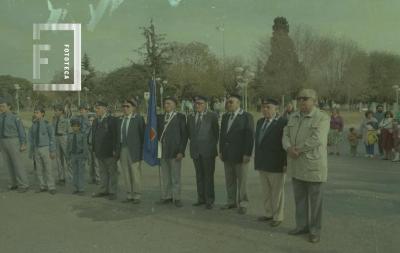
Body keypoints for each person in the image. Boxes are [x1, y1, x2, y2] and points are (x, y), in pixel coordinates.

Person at [282, 89, 330, 243]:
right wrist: (288, 148)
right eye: (299, 98)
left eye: (305, 99)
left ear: (314, 101)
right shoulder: (293, 116)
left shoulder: (322, 117)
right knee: (300, 199)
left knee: (316, 202)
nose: (301, 101)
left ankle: (315, 231)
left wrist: (298, 149)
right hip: (296, 165)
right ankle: (301, 226)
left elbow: (318, 139)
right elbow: (285, 135)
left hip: (313, 166)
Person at [254, 98, 287, 227]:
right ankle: (268, 213)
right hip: (262, 162)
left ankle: (278, 216)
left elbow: (285, 144)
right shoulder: (260, 122)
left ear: (276, 109)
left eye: (268, 107)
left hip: (276, 163)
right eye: (263, 107)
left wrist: (285, 163)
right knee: (266, 191)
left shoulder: (283, 122)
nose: (265, 110)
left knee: (277, 192)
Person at [219, 94, 254, 215]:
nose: (228, 104)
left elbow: (249, 137)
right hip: (227, 154)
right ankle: (231, 201)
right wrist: (221, 151)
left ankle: (243, 203)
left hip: (240, 155)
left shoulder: (246, 116)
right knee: (230, 180)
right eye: (228, 102)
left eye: (231, 102)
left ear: (238, 103)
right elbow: (222, 135)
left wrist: (247, 153)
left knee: (242, 181)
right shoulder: (225, 117)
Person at [187, 95, 219, 209]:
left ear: (205, 104)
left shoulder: (212, 116)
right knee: (199, 176)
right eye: (196, 103)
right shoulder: (190, 116)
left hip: (208, 152)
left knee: (208, 176)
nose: (197, 105)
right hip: (195, 151)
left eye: (200, 103)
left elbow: (216, 134)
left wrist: (210, 146)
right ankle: (201, 198)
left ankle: (209, 200)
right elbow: (190, 134)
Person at [157, 97, 188, 207]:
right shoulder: (159, 117)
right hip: (163, 151)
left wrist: (181, 151)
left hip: (175, 151)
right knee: (165, 176)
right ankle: (167, 196)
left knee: (175, 176)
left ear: (175, 105)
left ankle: (177, 197)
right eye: (165, 104)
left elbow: (184, 135)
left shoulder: (180, 117)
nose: (166, 106)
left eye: (169, 104)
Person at [115, 99, 145, 204]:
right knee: (126, 173)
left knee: (135, 173)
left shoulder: (138, 119)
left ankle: (137, 195)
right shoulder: (120, 120)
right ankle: (129, 194)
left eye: (128, 106)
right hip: (123, 149)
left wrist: (141, 151)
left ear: (133, 108)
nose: (125, 108)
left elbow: (142, 135)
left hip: (134, 150)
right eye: (124, 106)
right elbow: (117, 136)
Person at [0, 97, 29, 192]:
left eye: (3, 106)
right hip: (3, 142)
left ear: (9, 106)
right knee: (7, 164)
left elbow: (21, 131)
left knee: (17, 164)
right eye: (0, 106)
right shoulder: (0, 117)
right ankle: (12, 183)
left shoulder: (14, 117)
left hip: (13, 141)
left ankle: (24, 185)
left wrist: (23, 143)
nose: (1, 108)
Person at [91, 101, 119, 200]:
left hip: (109, 151)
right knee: (102, 172)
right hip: (99, 151)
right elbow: (94, 136)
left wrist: (115, 150)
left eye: (98, 108)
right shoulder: (95, 121)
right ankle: (103, 190)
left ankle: (113, 191)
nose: (96, 110)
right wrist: (94, 149)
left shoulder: (112, 120)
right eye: (96, 108)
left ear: (104, 109)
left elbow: (116, 136)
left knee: (112, 172)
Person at [29, 106, 57, 194]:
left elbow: (52, 137)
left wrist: (52, 150)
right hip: (37, 148)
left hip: (45, 148)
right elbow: (31, 139)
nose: (35, 114)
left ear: (42, 114)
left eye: (37, 112)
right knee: (39, 169)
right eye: (35, 112)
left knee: (48, 168)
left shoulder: (47, 124)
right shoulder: (33, 125)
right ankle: (42, 185)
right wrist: (31, 151)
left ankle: (51, 187)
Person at [66, 118, 88, 195]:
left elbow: (85, 146)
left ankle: (81, 189)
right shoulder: (70, 135)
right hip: (73, 155)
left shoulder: (82, 135)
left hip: (80, 155)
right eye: (73, 126)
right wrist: (67, 156)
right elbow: (68, 147)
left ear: (79, 127)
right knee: (74, 172)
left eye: (76, 126)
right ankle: (76, 188)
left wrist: (85, 156)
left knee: (81, 172)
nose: (74, 127)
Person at [53, 104, 71, 185]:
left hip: (64, 137)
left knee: (68, 158)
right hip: (56, 138)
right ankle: (61, 178)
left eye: (57, 110)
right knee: (58, 159)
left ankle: (72, 177)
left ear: (61, 111)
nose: (55, 112)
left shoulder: (66, 120)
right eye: (55, 110)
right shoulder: (54, 119)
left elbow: (69, 131)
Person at [87, 113, 100, 184]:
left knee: (96, 163)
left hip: (95, 147)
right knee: (90, 163)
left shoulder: (97, 128)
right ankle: (92, 178)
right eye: (89, 120)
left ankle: (98, 178)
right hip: (89, 146)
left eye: (92, 120)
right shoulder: (88, 128)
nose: (90, 122)